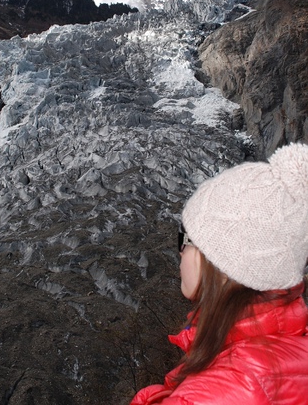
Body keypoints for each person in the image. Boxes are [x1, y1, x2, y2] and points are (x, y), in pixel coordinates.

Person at [130, 142, 308, 404]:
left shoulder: (221, 390)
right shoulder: (285, 352)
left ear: (223, 263)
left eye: (186, 238)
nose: (180, 251)